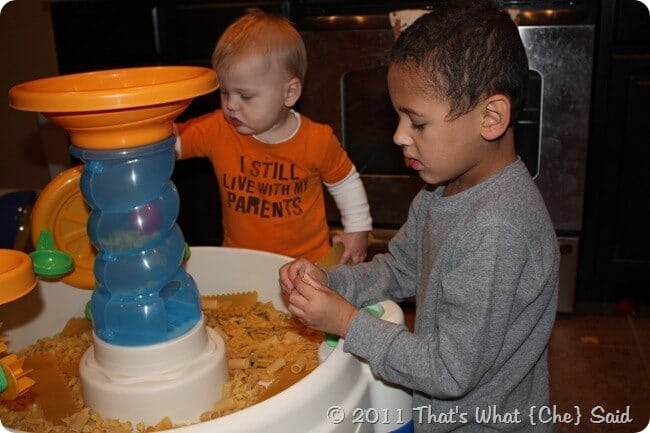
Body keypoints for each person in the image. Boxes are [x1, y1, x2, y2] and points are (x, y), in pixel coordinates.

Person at [279, 0, 560, 431]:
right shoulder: (439, 191)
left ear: (491, 118)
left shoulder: (497, 231)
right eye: (398, 117)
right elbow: (401, 268)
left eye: (417, 123)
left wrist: (347, 323)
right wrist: (329, 282)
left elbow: (449, 370)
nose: (398, 136)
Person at [175, 11, 372, 264]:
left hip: (307, 266)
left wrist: (358, 229)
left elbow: (344, 182)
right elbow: (171, 145)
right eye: (224, 92)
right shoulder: (217, 128)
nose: (231, 105)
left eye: (245, 96)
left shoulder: (317, 140)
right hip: (240, 262)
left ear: (289, 93)